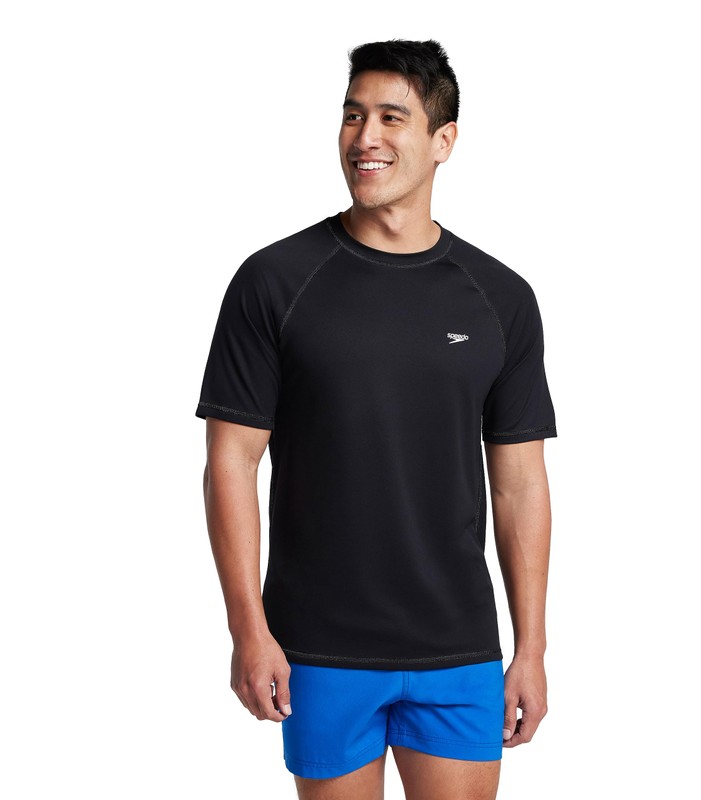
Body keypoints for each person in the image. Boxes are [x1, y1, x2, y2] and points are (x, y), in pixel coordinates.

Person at [196, 39, 557, 800]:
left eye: (392, 117)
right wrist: (248, 629)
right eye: (353, 115)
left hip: (458, 647)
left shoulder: (501, 297)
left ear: (443, 140)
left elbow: (520, 482)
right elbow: (231, 460)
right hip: (320, 646)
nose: (366, 137)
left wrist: (531, 647)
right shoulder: (274, 281)